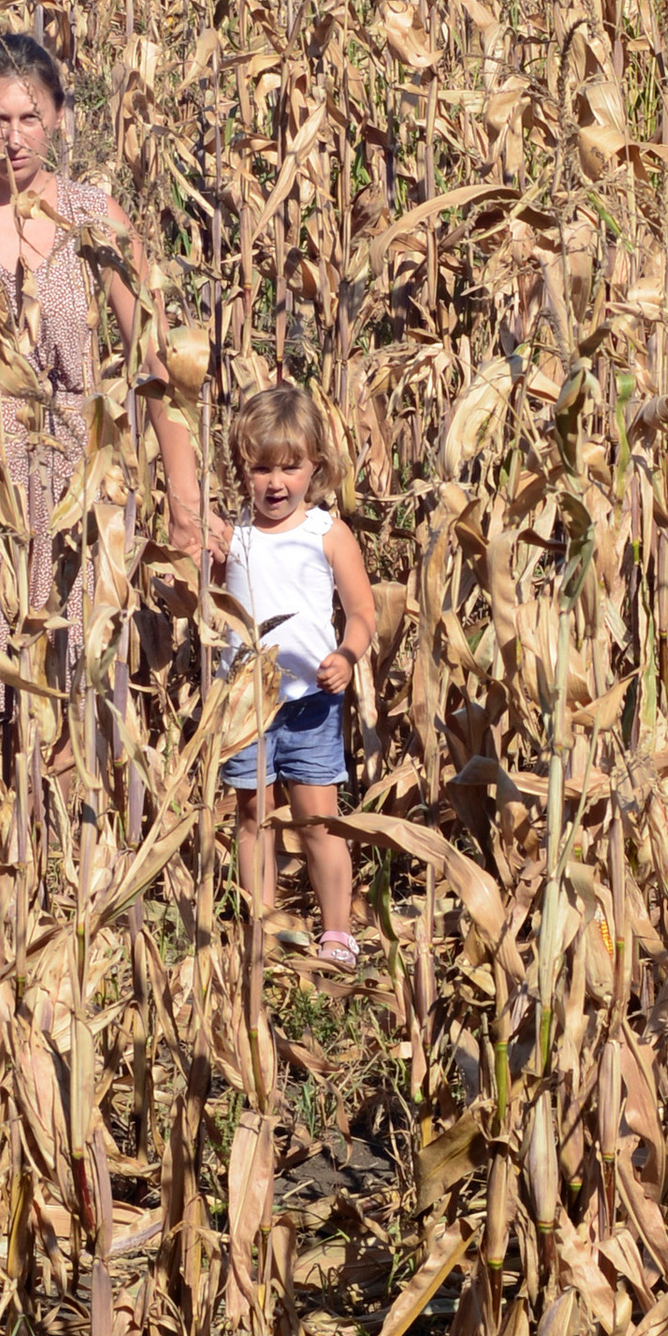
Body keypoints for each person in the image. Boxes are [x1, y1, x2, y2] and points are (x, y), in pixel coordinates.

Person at [0, 34, 205, 739]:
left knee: (73, 692)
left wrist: (185, 506)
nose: (13, 137)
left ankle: (71, 842)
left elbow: (157, 361)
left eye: (30, 118)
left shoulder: (96, 218)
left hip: (73, 488)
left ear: (59, 116)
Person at [217, 381, 377, 968]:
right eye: (261, 469)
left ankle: (336, 931)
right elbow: (199, 596)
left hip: (310, 702)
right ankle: (260, 924)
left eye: (291, 467)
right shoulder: (231, 536)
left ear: (317, 467)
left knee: (319, 821)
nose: (276, 483)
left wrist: (348, 655)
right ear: (243, 468)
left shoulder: (327, 534)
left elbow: (362, 610)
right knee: (254, 816)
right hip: (243, 705)